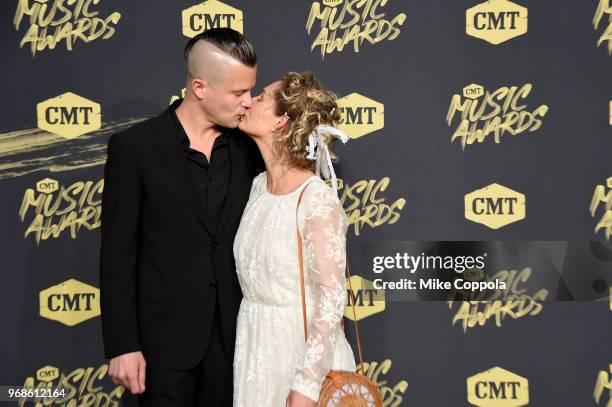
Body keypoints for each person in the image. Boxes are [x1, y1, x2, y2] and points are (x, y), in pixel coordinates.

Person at [99, 28, 261, 406]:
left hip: (236, 343)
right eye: (239, 93)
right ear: (200, 87)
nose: (248, 102)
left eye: (251, 90)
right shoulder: (134, 148)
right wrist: (123, 345)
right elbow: (118, 254)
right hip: (162, 348)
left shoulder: (248, 148)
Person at [232, 72, 357, 407]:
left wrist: (308, 383)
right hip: (255, 352)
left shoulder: (316, 199)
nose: (250, 100)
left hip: (300, 358)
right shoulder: (258, 187)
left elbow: (331, 299)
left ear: (282, 121)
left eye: (261, 98)